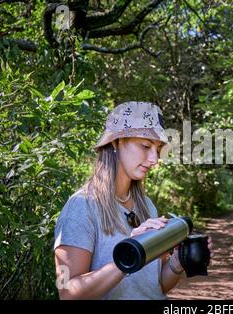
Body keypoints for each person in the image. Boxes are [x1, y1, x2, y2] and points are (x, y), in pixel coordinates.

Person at [53, 101, 214, 300]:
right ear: (115, 142)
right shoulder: (81, 207)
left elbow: (154, 287)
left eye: (158, 149)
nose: (155, 159)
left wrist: (176, 264)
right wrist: (130, 253)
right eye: (145, 146)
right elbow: (68, 293)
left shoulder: (146, 205)